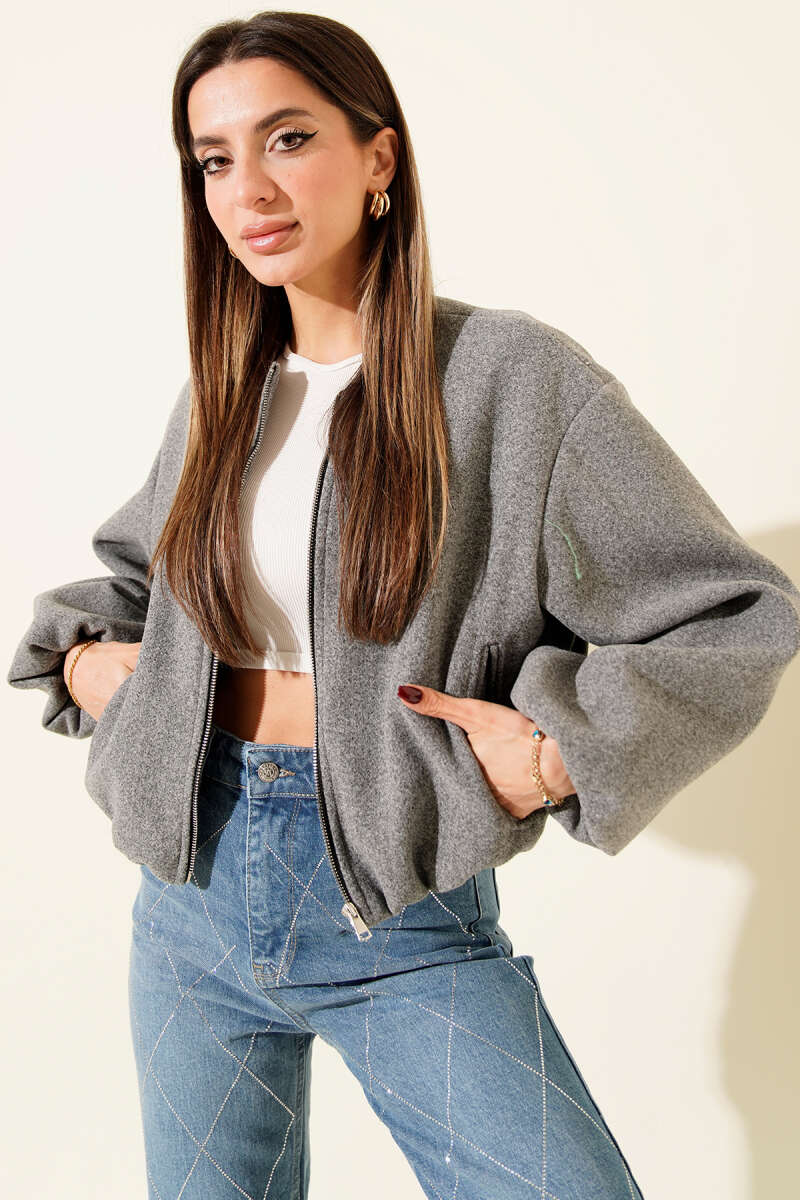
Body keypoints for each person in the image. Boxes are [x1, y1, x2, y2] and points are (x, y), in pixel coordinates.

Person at [7, 11, 800, 1199]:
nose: (247, 188)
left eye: (287, 138)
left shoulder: (510, 379)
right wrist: (86, 664)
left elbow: (732, 614)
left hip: (398, 912)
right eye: (214, 159)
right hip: (186, 899)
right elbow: (135, 582)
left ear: (377, 155)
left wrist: (558, 753)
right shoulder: (227, 392)